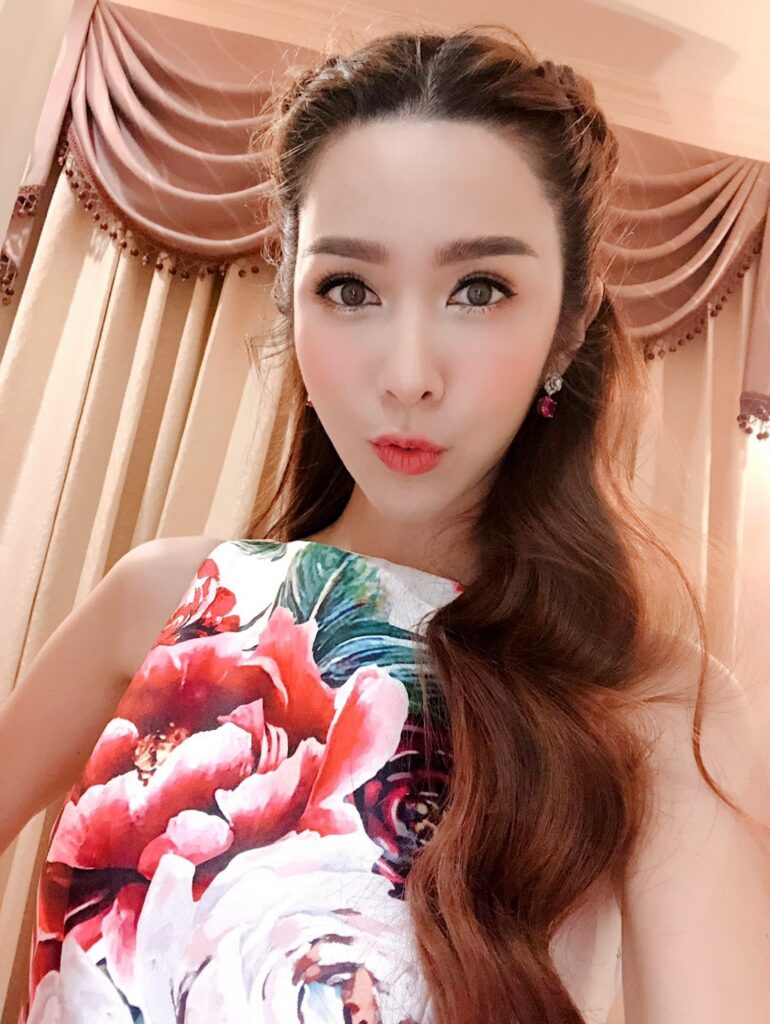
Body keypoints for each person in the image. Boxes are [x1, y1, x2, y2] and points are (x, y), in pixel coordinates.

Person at [2, 23, 769, 1024]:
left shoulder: (654, 709)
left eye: (479, 290)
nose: (408, 375)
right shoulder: (160, 600)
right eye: (349, 288)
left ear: (569, 323)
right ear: (292, 302)